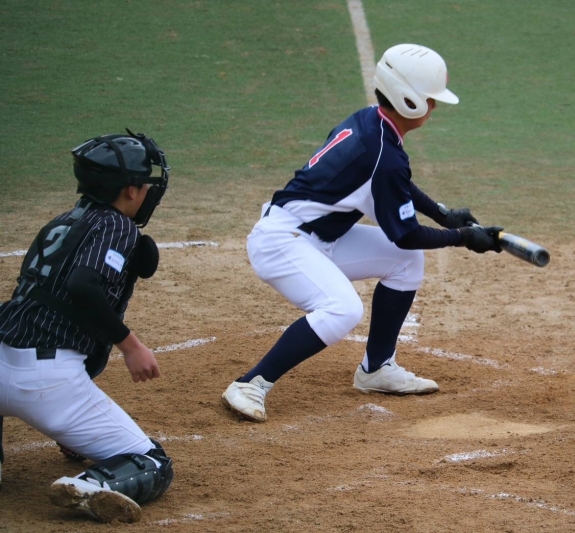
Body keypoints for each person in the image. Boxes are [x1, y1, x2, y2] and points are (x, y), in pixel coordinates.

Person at [222, 43, 503, 423]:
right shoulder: (383, 156)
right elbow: (405, 232)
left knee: (405, 262)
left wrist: (443, 215)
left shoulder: (372, 121)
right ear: (408, 99)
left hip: (317, 237)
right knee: (343, 308)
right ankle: (251, 384)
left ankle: (377, 369)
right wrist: (464, 238)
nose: (434, 107)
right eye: (430, 99)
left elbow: (397, 186)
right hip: (282, 243)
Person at [0, 130, 174, 523]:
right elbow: (82, 285)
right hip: (45, 382)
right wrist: (131, 346)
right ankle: (89, 486)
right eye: (145, 183)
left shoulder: (61, 223)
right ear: (130, 190)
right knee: (153, 462)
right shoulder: (117, 225)